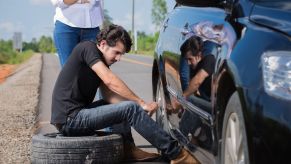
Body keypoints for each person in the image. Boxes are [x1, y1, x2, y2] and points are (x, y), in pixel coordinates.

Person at [51, 24, 200, 163]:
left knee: (125, 106)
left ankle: (128, 149)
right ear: (103, 44)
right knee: (129, 108)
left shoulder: (99, 62)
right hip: (70, 119)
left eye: (121, 54)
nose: (118, 58)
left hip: (76, 115)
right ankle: (177, 155)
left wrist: (138, 107)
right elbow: (110, 81)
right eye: (116, 52)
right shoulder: (87, 48)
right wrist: (140, 103)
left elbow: (109, 96)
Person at [51, 0, 104, 66]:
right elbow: (58, 2)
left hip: (93, 26)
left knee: (93, 72)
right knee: (70, 72)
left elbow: (95, 1)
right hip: (66, 26)